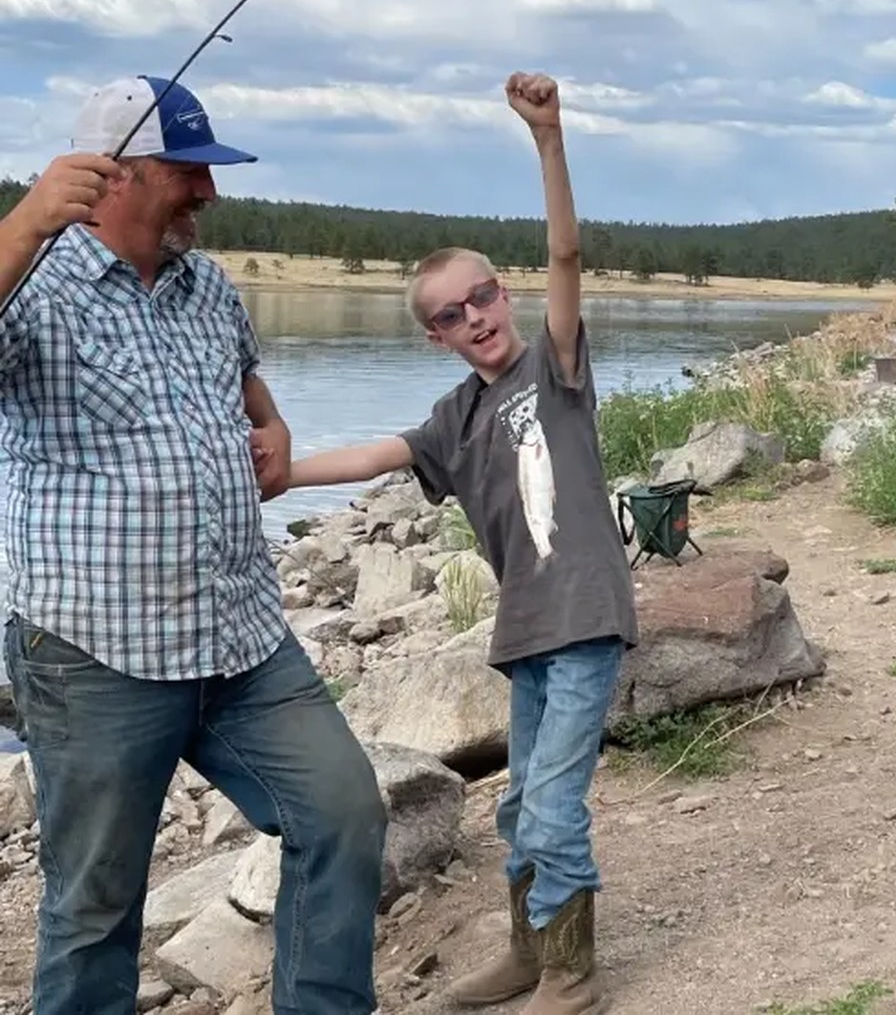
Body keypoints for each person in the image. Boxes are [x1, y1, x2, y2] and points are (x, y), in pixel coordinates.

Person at [0, 75, 386, 1015]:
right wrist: (23, 225)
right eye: (189, 173)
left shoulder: (206, 285)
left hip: (241, 637)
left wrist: (278, 424)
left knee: (343, 812)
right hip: (97, 653)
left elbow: (245, 382)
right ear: (112, 177)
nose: (208, 194)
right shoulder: (32, 290)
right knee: (94, 911)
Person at [285, 71, 638, 1015]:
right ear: (435, 337)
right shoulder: (456, 413)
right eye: (450, 312)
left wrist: (549, 140)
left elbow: (567, 252)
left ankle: (574, 973)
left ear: (505, 292)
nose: (474, 315)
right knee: (522, 806)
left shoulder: (554, 370)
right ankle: (530, 951)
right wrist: (279, 472)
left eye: (482, 294)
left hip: (585, 620)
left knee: (555, 806)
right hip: (525, 632)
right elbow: (381, 450)